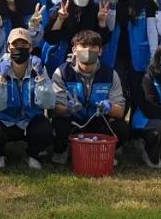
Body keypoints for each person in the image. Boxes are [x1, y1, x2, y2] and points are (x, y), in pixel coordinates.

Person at [50, 30, 128, 164]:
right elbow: (56, 107)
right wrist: (68, 109)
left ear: (100, 51)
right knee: (58, 125)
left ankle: (103, 151)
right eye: (83, 46)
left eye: (93, 47)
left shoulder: (110, 74)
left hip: (98, 121)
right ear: (74, 50)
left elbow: (120, 111)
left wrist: (109, 107)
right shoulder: (62, 72)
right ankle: (62, 151)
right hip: (73, 121)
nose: (88, 50)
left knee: (122, 128)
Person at [0, 28, 55, 170]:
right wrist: (1, 79)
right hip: (5, 120)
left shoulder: (39, 69)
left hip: (30, 119)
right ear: (8, 47)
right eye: (15, 44)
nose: (19, 48)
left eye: (24, 44)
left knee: (45, 130)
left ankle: (32, 154)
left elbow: (49, 103)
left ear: (31, 48)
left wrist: (41, 77)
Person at [99, 0, 159, 112]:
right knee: (116, 91)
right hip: (114, 53)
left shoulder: (145, 1)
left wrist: (153, 55)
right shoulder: (106, 0)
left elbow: (152, 29)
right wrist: (112, 7)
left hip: (139, 54)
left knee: (138, 91)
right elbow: (109, 27)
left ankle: (137, 122)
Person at [42, 0, 110, 75]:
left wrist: (102, 21)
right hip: (62, 62)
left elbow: (103, 40)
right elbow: (50, 38)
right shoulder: (61, 9)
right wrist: (60, 19)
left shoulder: (96, 10)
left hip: (89, 63)